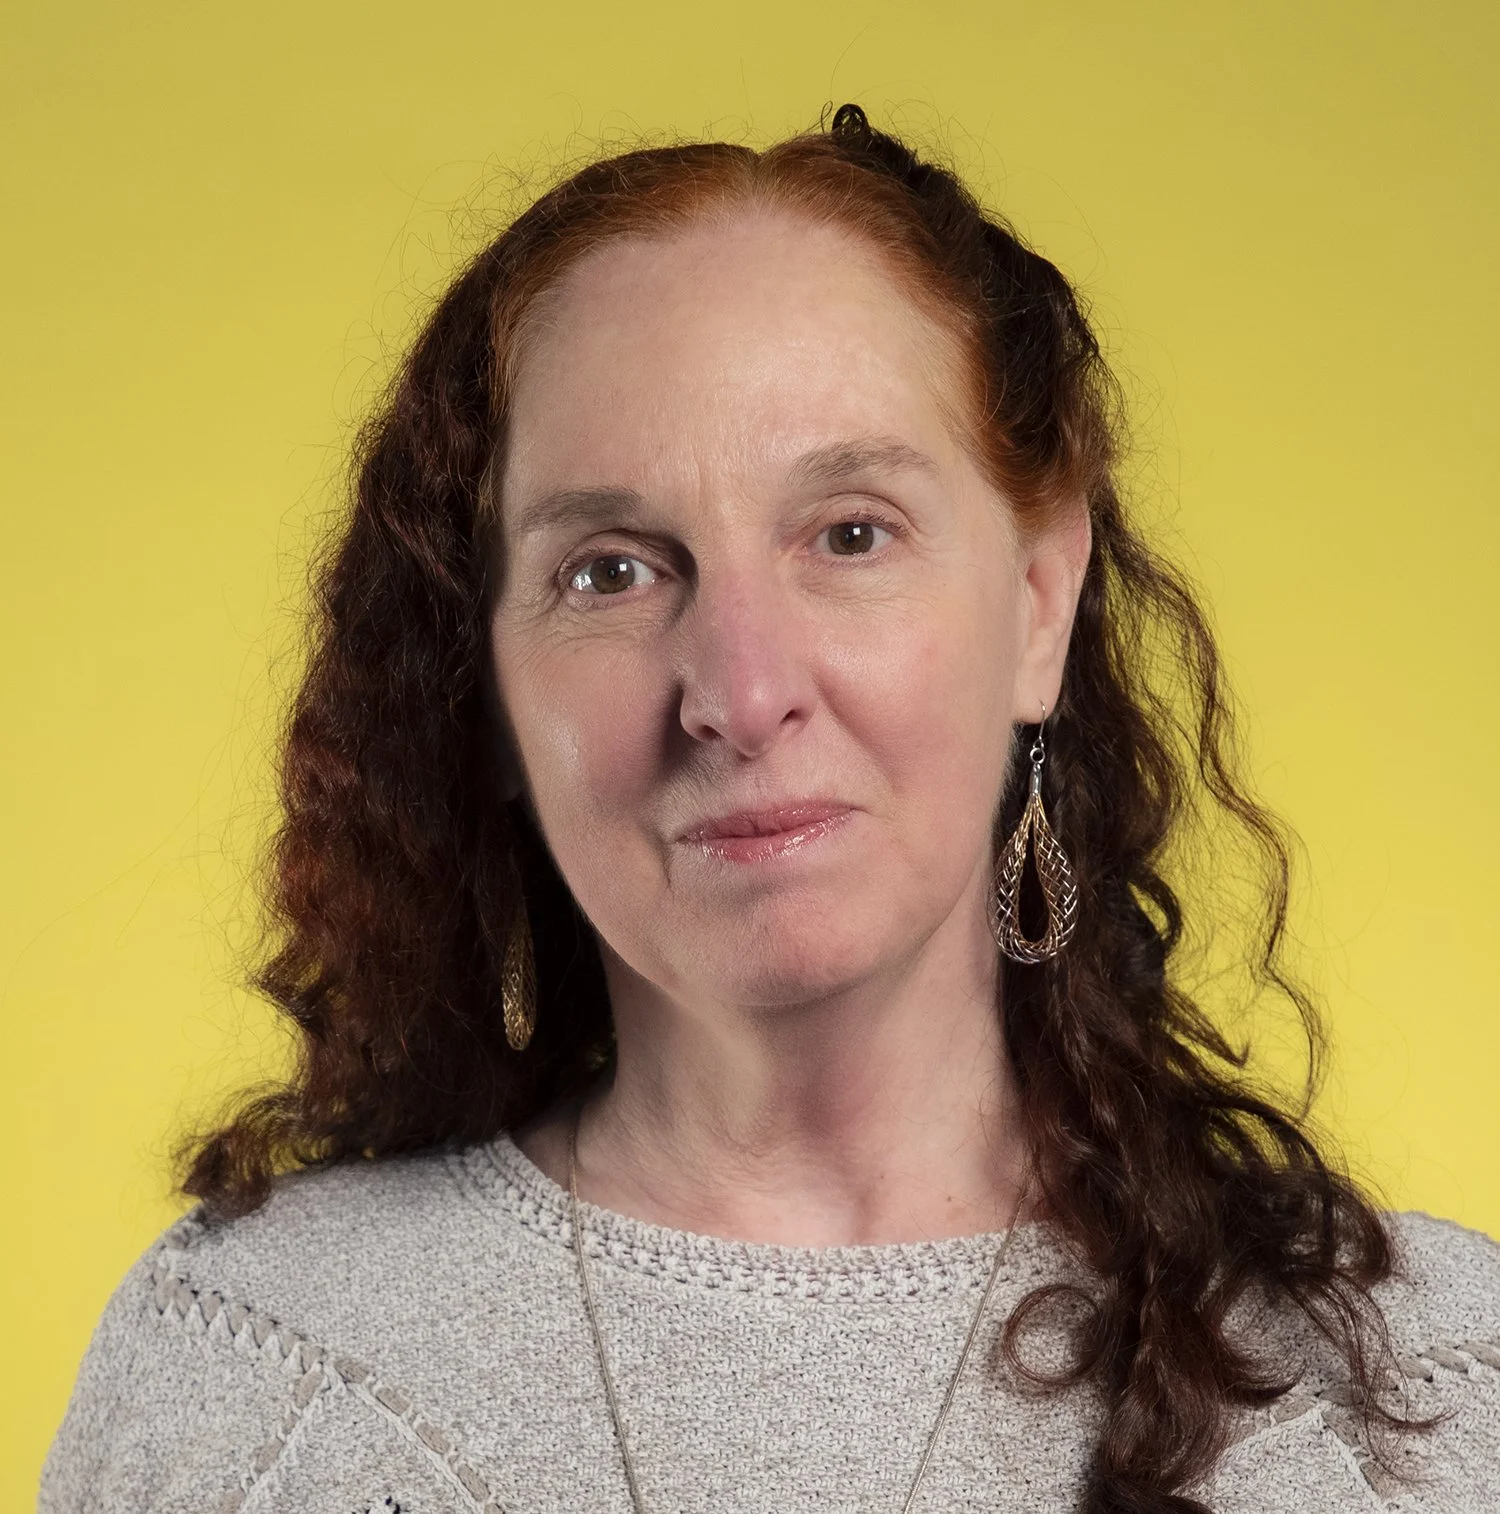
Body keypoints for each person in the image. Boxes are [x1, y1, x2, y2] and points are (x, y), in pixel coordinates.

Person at [41, 104, 1500, 1514]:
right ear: (484, 689)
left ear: (1039, 603)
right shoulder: (251, 1383)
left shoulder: (1434, 1395)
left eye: (851, 534)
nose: (740, 691)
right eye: (611, 570)